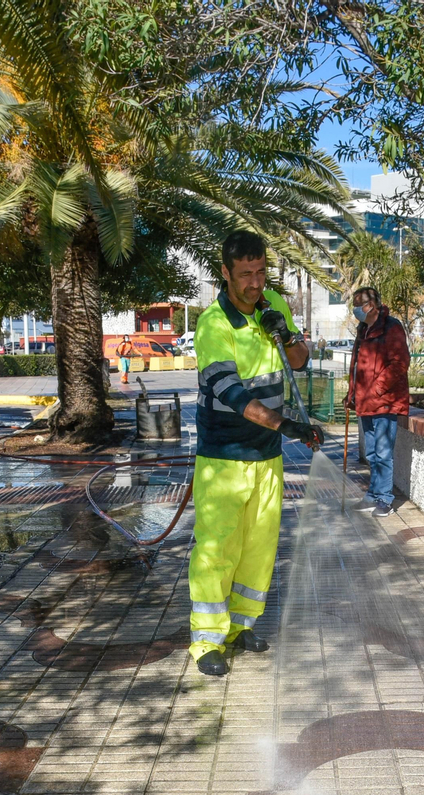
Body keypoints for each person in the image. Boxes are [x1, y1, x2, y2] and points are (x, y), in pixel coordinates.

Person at [188, 230, 323, 677]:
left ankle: (240, 627)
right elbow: (232, 394)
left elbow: (300, 360)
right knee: (216, 549)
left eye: (261, 272)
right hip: (224, 458)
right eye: (245, 274)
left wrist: (286, 334)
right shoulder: (213, 324)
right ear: (225, 273)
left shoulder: (274, 305)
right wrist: (288, 426)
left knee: (259, 548)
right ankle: (207, 641)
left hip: (267, 457)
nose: (255, 283)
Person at [346, 286, 410, 517]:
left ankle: (385, 499)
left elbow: (400, 362)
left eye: (358, 304)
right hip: (366, 401)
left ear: (371, 305)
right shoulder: (363, 330)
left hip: (384, 402)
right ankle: (373, 494)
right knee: (372, 453)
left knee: (383, 454)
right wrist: (352, 394)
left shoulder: (391, 327)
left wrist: (378, 389)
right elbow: (357, 366)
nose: (355, 309)